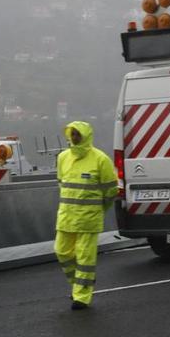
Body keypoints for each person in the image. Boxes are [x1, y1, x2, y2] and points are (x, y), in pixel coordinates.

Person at [54, 120, 118, 310]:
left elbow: (110, 191)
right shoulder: (63, 158)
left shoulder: (101, 159)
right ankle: (81, 283)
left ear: (85, 136)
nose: (74, 138)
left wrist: (99, 210)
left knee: (85, 257)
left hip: (89, 218)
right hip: (66, 216)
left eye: (77, 134)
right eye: (71, 134)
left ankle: (82, 296)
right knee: (61, 252)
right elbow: (61, 184)